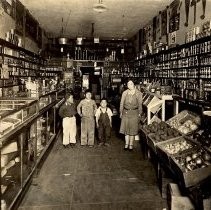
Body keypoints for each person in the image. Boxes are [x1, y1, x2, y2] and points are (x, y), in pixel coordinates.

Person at [119, 80, 143, 151]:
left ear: (134, 85)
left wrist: (139, 113)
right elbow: (121, 103)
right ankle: (126, 144)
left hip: (134, 113)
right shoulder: (124, 93)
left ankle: (131, 144)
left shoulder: (138, 93)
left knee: (132, 129)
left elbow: (140, 104)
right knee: (126, 129)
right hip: (125, 112)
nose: (129, 85)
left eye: (131, 84)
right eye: (128, 84)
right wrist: (121, 112)